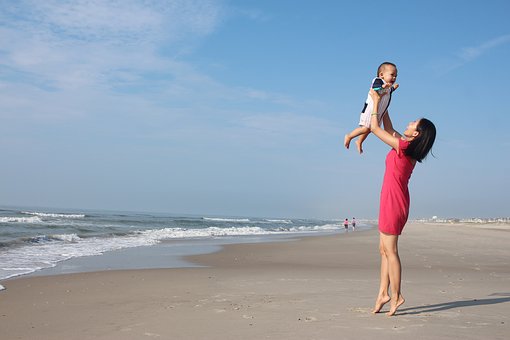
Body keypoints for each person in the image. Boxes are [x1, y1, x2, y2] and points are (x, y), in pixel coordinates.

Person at [368, 88, 436, 316]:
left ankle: (396, 295)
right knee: (383, 250)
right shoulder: (404, 145)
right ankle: (382, 293)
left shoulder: (405, 147)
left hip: (394, 202)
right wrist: (386, 97)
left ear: (416, 134)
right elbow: (387, 127)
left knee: (391, 251)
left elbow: (375, 128)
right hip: (390, 198)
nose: (409, 122)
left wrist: (375, 103)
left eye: (414, 122)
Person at [344, 62, 399, 154]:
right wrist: (383, 86)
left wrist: (393, 88)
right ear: (381, 75)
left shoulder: (387, 86)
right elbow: (375, 88)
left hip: (378, 111)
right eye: (392, 75)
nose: (394, 78)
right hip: (370, 109)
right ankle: (349, 136)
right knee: (365, 128)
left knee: (369, 129)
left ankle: (359, 141)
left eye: (396, 76)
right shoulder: (378, 81)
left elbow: (388, 92)